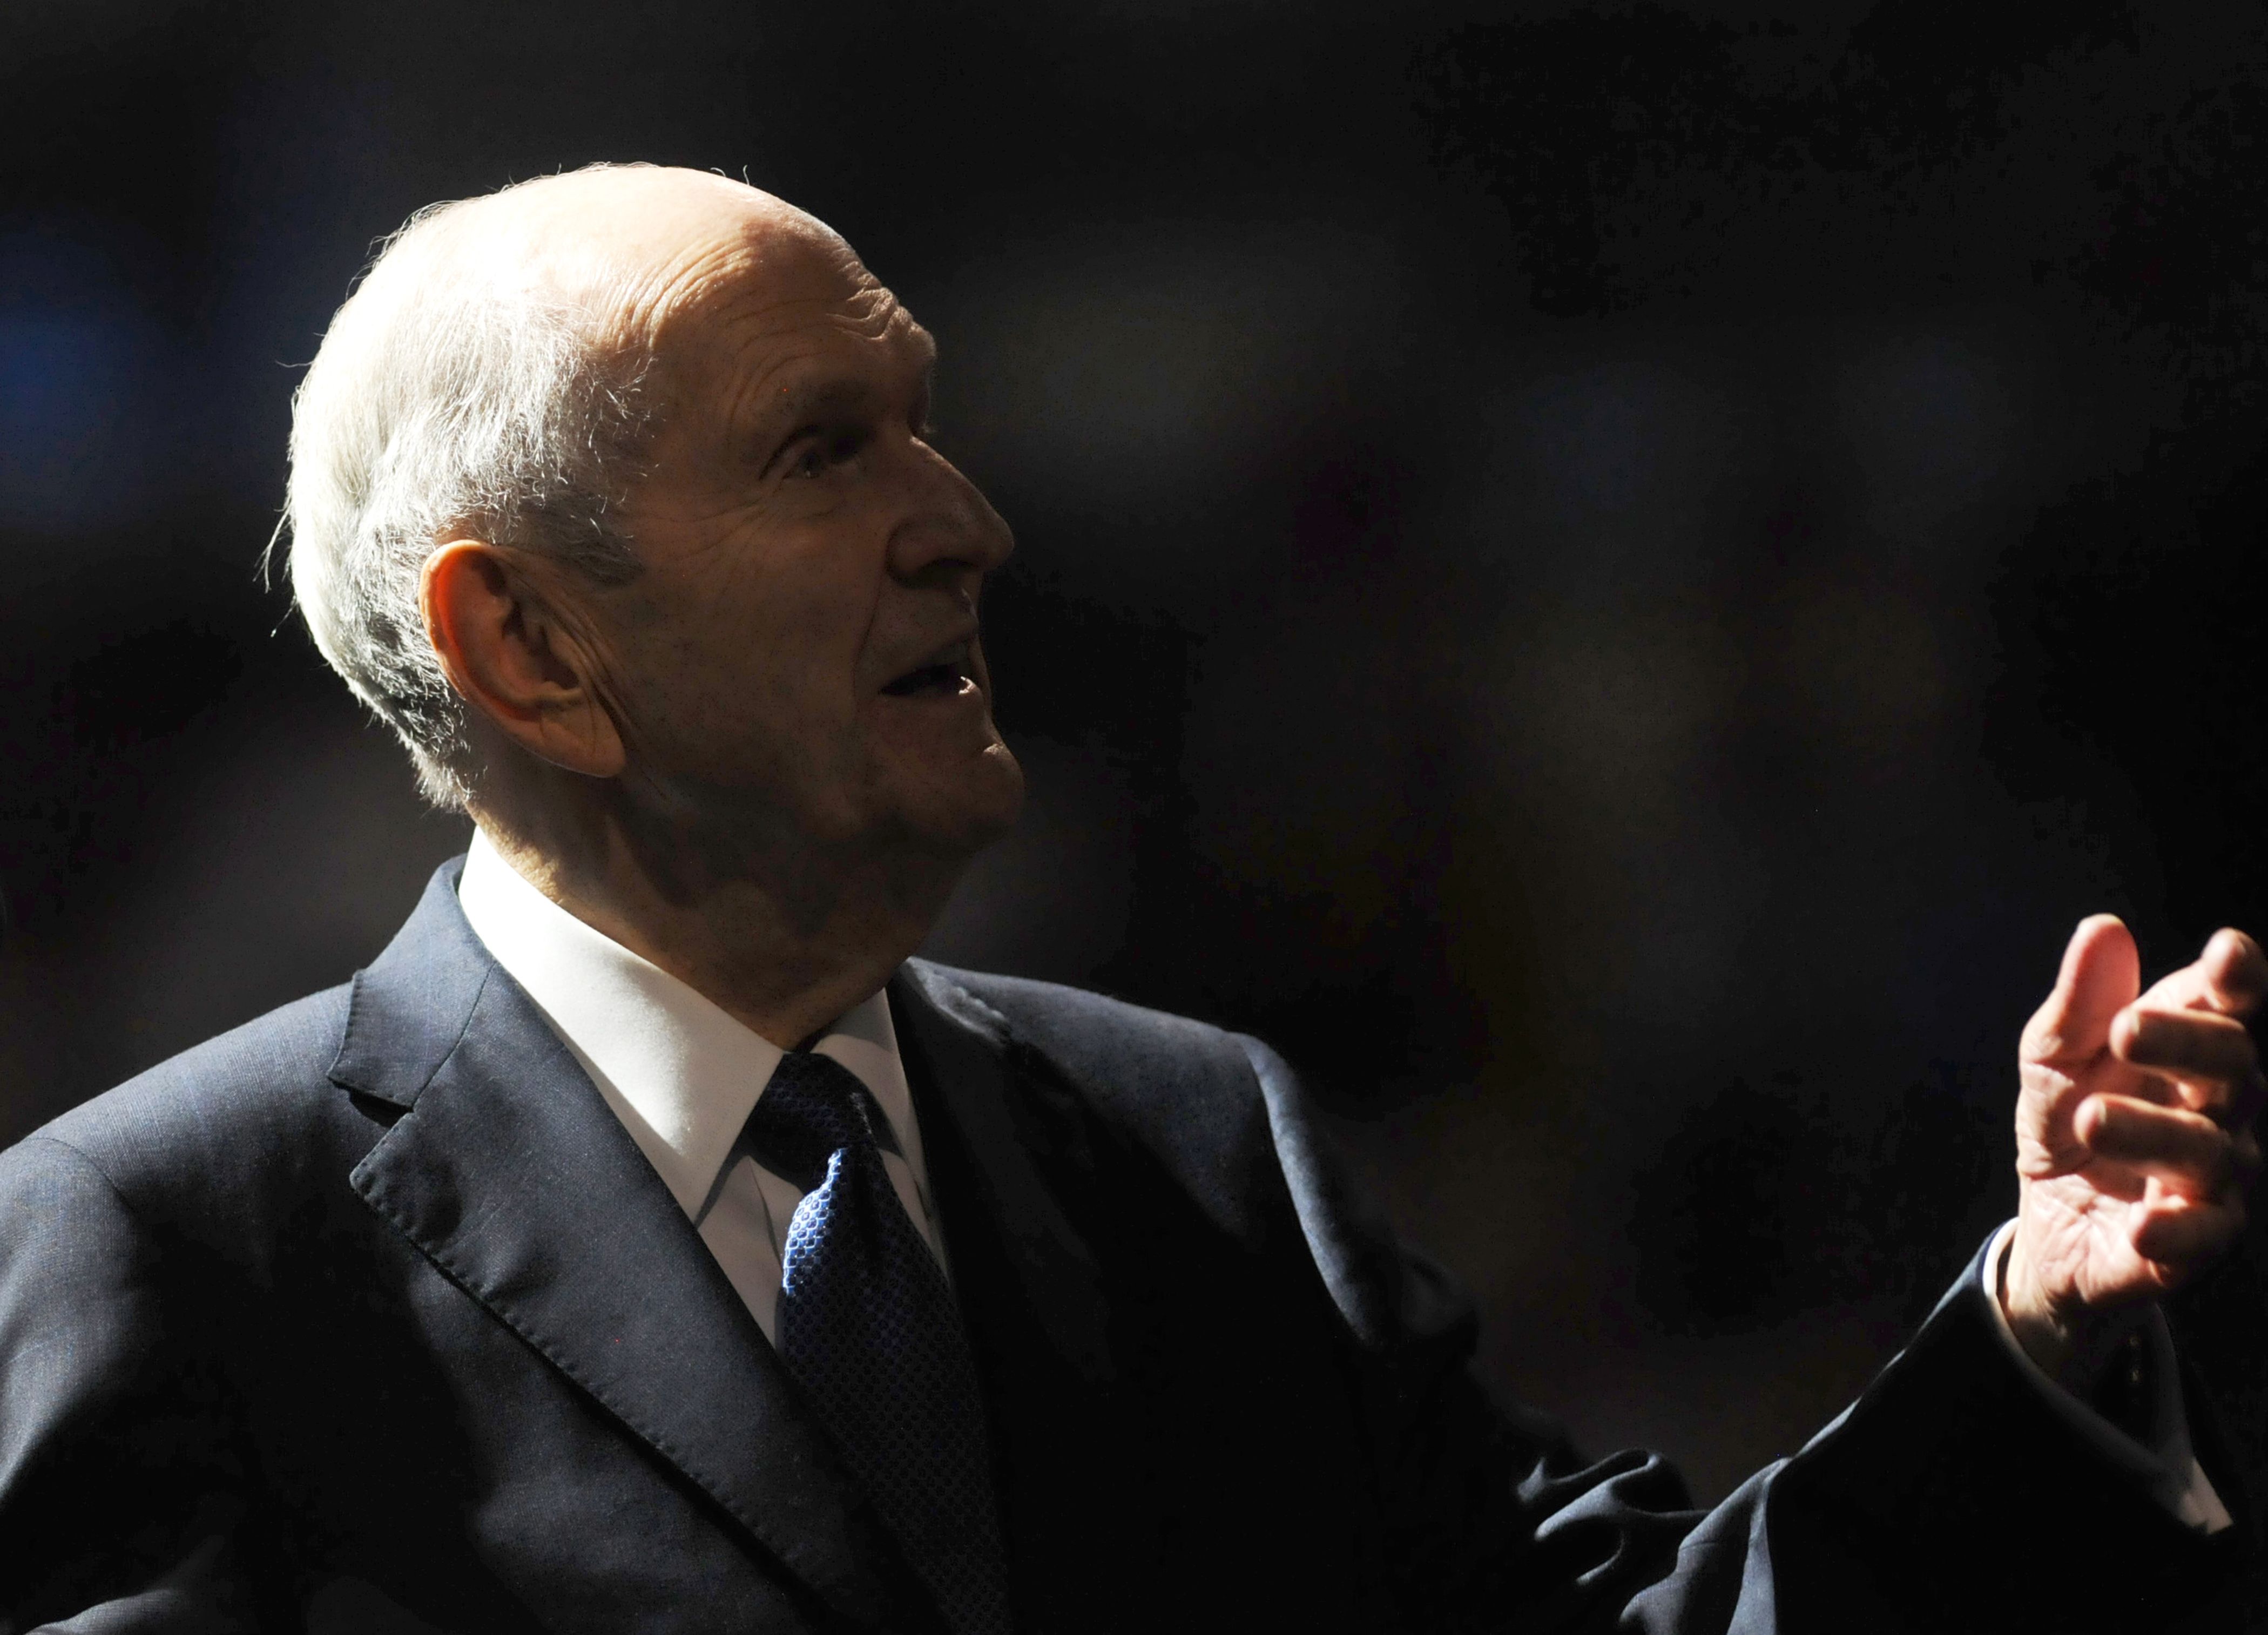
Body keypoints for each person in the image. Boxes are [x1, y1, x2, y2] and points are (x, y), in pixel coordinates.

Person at [0, 163, 2259, 1633]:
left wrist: (2041, 1341)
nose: (965, 516)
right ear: (530, 646)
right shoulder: (171, 1249)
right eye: (823, 449)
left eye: (925, 422)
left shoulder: (1200, 1144)